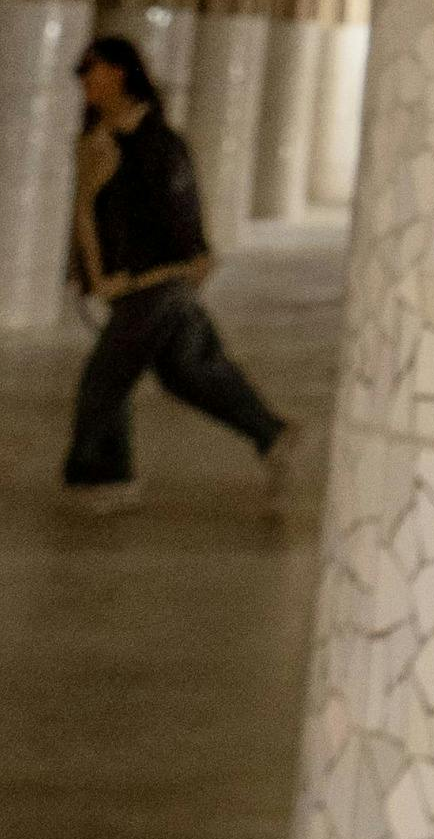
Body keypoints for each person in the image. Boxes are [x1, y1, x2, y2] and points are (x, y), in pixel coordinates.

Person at [61, 34, 295, 508]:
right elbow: (87, 213)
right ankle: (270, 434)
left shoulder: (155, 141)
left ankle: (105, 477)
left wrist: (194, 257)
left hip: (157, 279)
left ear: (119, 72)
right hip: (128, 282)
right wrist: (87, 273)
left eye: (92, 69)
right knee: (187, 371)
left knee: (106, 378)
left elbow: (179, 202)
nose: (83, 79)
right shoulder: (97, 138)